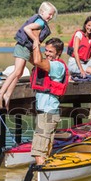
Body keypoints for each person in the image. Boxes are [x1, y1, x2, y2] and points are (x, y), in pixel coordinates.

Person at [0, 1, 58, 110]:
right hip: (23, 47)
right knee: (16, 71)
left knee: (19, 73)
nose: (51, 16)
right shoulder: (41, 22)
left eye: (52, 15)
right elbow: (27, 28)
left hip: (26, 48)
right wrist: (35, 40)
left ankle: (8, 94)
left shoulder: (41, 22)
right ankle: (0, 92)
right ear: (42, 12)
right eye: (49, 14)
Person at [30, 37, 69, 165]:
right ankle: (48, 177)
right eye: (45, 50)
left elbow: (37, 60)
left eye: (50, 52)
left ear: (58, 53)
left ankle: (42, 178)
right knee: (44, 150)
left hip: (48, 114)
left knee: (38, 151)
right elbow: (32, 59)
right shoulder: (48, 63)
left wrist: (36, 43)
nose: (46, 54)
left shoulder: (57, 66)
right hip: (47, 113)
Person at [67, 16, 91, 80]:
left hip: (85, 63)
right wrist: (81, 69)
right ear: (85, 25)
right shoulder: (79, 34)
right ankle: (77, 73)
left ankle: (86, 72)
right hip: (75, 63)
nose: (90, 28)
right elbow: (75, 52)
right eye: (89, 25)